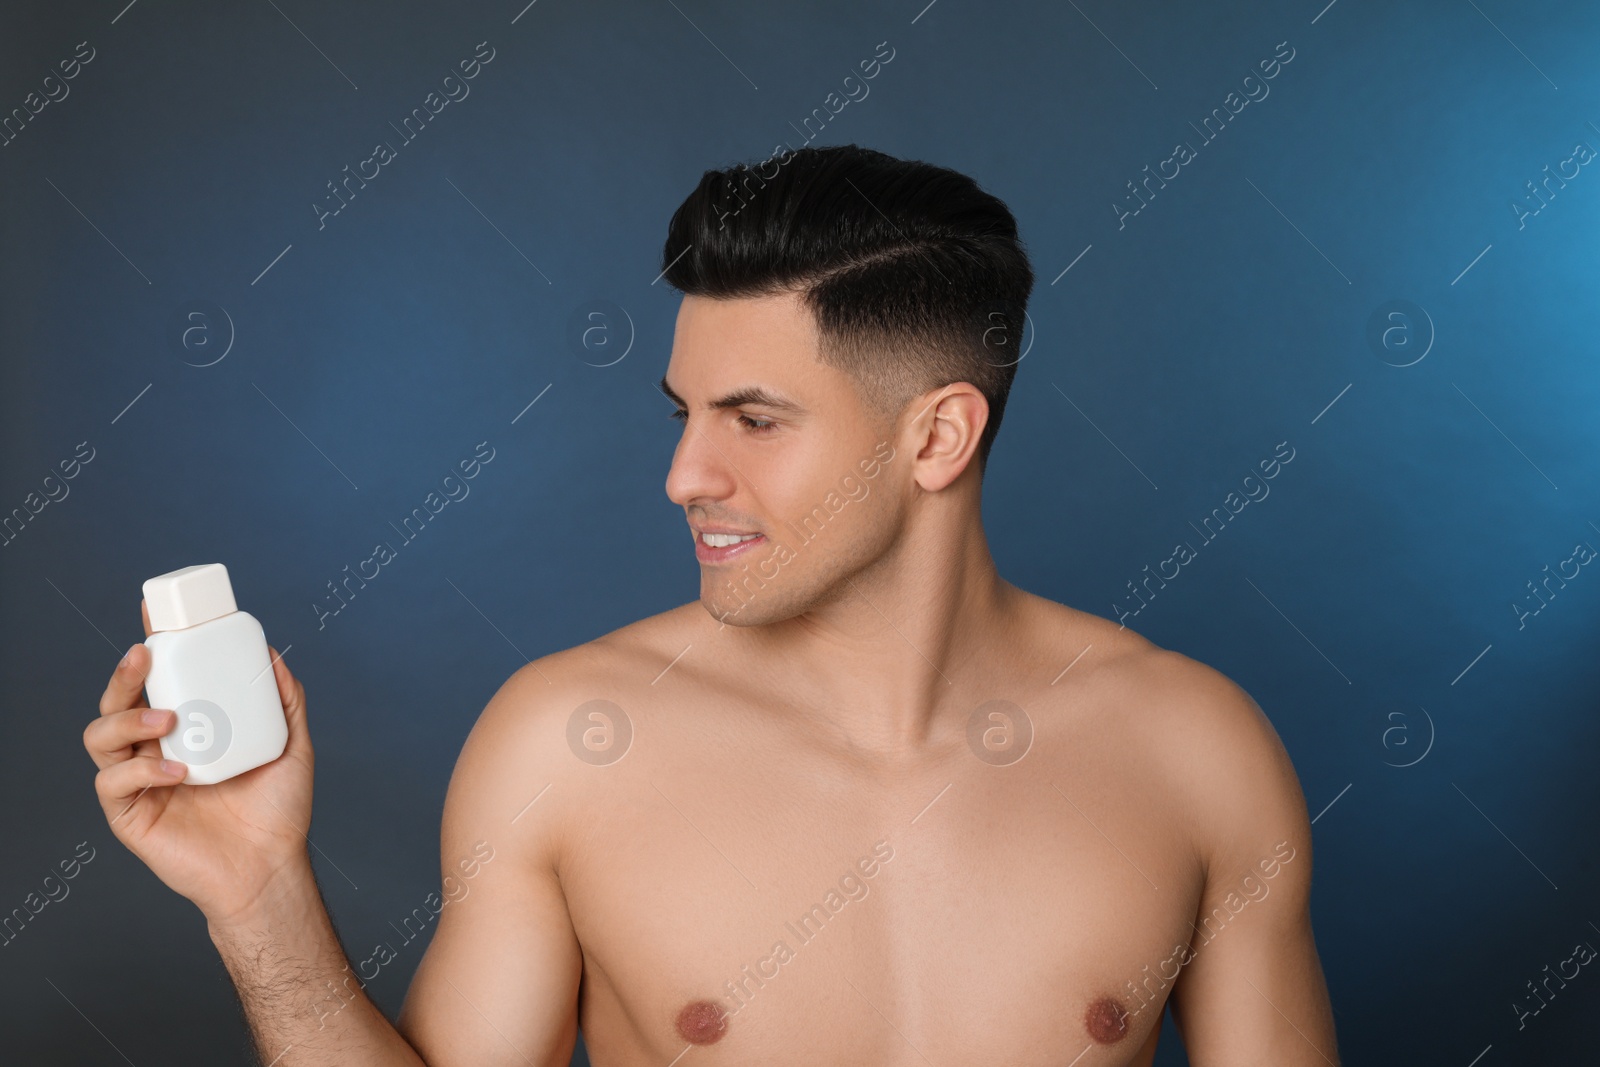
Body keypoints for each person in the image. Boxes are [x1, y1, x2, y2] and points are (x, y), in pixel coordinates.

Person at [84, 144, 1339, 1066]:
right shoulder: (567, 743)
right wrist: (262, 902)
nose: (685, 474)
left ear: (938, 435)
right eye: (684, 414)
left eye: (755, 419)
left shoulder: (1193, 750)